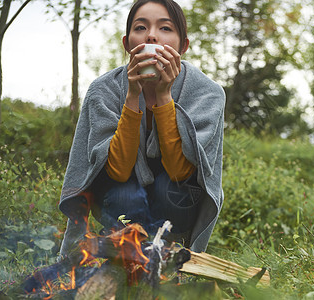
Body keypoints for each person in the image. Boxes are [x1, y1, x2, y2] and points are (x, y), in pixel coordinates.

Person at [58, 0, 225, 256]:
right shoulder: (104, 90)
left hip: (176, 200)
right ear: (127, 44)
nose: (152, 36)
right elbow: (118, 170)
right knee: (125, 195)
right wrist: (132, 95)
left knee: (167, 189)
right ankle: (127, 249)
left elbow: (181, 171)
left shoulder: (207, 93)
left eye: (166, 28)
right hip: (118, 195)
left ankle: (165, 253)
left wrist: (164, 96)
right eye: (140, 27)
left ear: (183, 46)